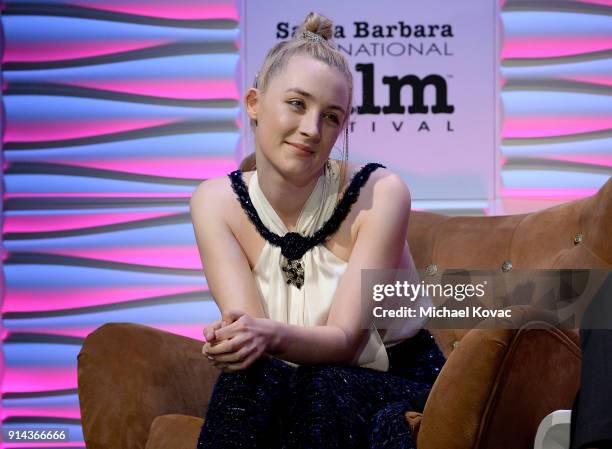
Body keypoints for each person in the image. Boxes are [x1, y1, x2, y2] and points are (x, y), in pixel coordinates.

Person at [189, 11, 445, 449]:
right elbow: (257, 342)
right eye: (296, 104)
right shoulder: (215, 202)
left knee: (326, 386)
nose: (311, 129)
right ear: (254, 103)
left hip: (395, 377)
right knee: (248, 380)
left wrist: (262, 334)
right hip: (300, 378)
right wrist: (236, 340)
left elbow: (347, 342)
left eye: (331, 117)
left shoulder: (381, 192)